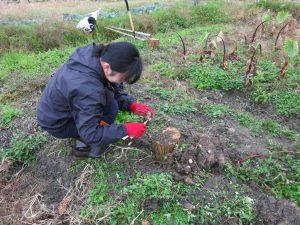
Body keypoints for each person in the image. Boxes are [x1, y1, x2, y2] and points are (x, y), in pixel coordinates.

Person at [36, 42, 154, 158]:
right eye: (122, 78)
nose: (121, 82)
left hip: (57, 109)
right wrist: (125, 130)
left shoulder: (96, 56)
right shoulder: (88, 89)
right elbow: (90, 132)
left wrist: (131, 105)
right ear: (107, 67)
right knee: (109, 111)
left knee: (110, 104)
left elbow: (110, 86)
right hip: (58, 123)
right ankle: (84, 147)